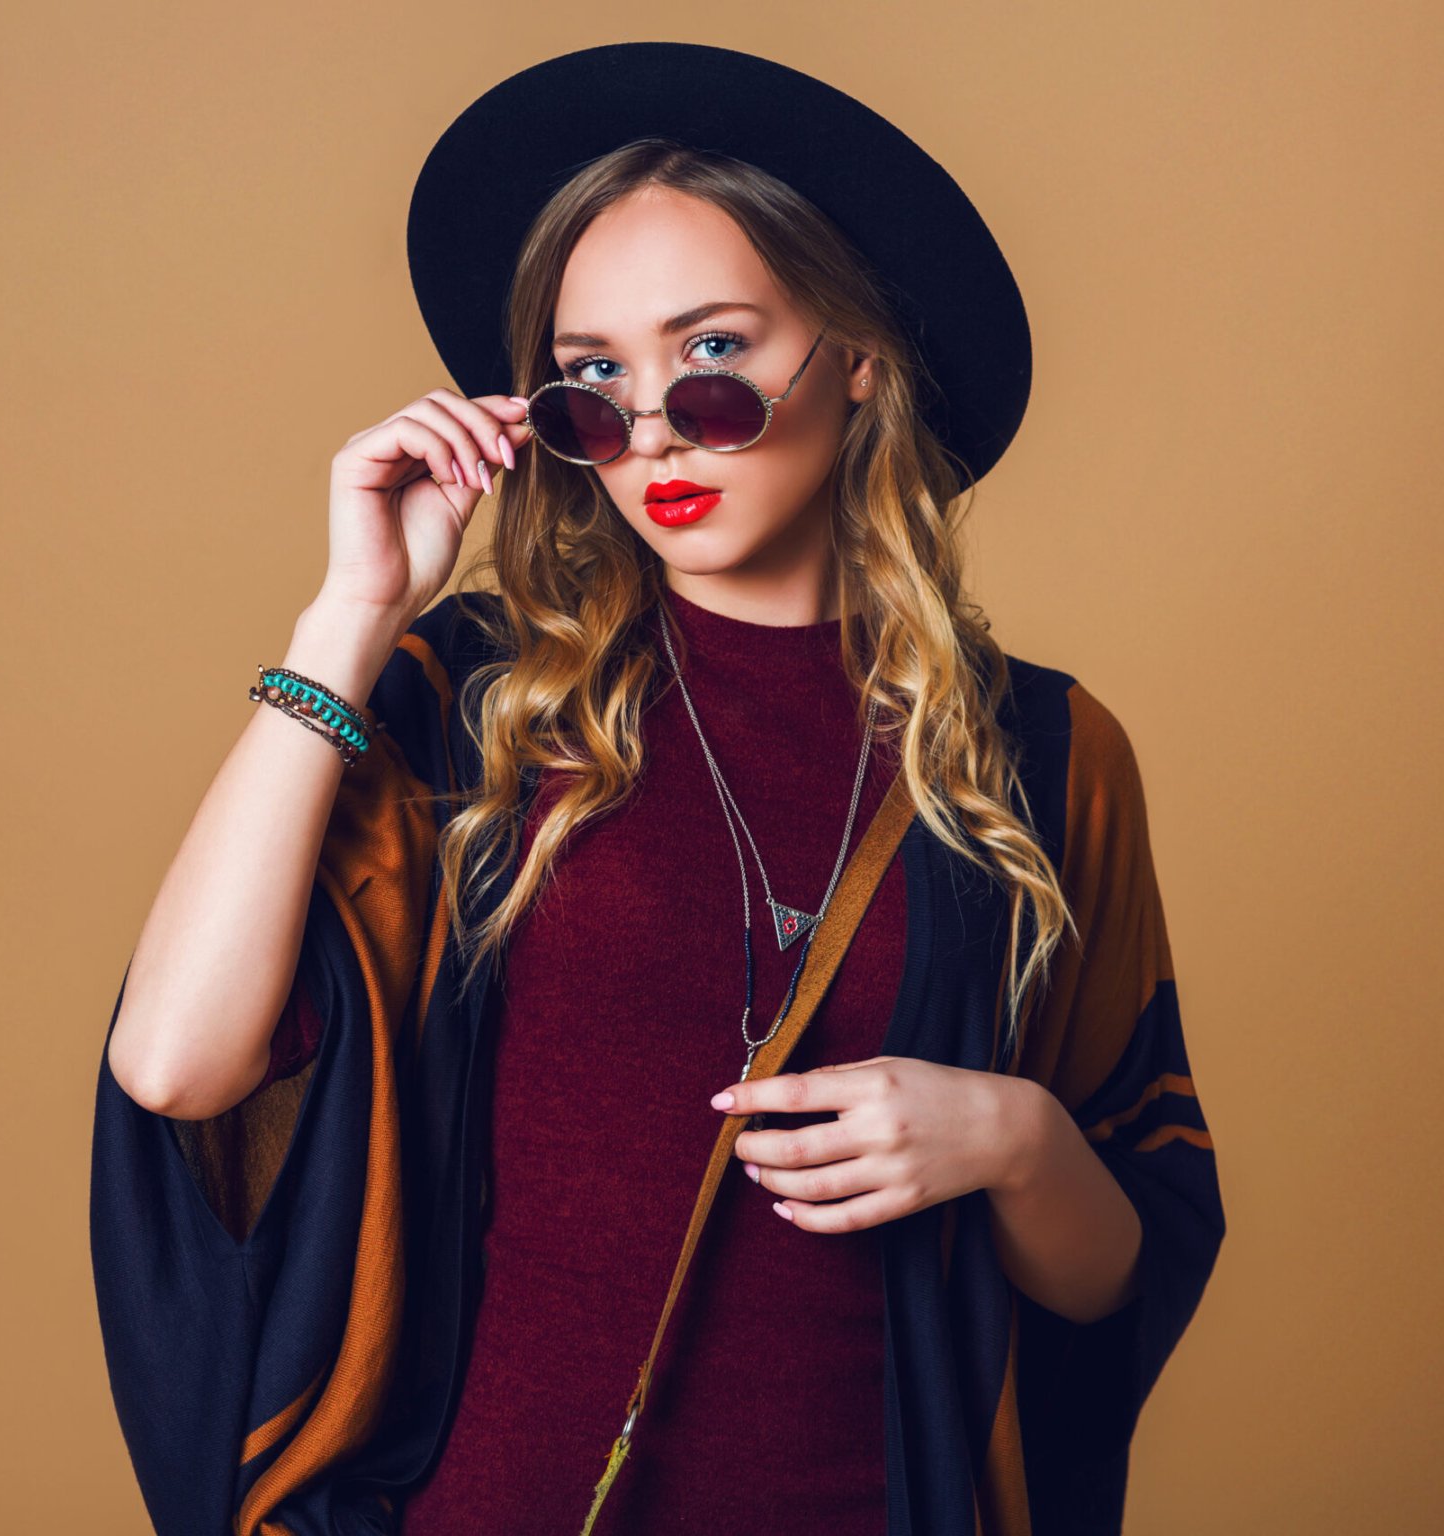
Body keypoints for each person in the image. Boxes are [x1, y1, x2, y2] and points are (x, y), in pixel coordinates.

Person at [89, 43, 1225, 1536]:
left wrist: (1010, 1138)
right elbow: (177, 1070)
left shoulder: (1048, 756)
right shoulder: (471, 700)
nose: (657, 431)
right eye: (593, 381)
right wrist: (348, 622)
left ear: (859, 362)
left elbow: (1124, 1264)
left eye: (716, 355)